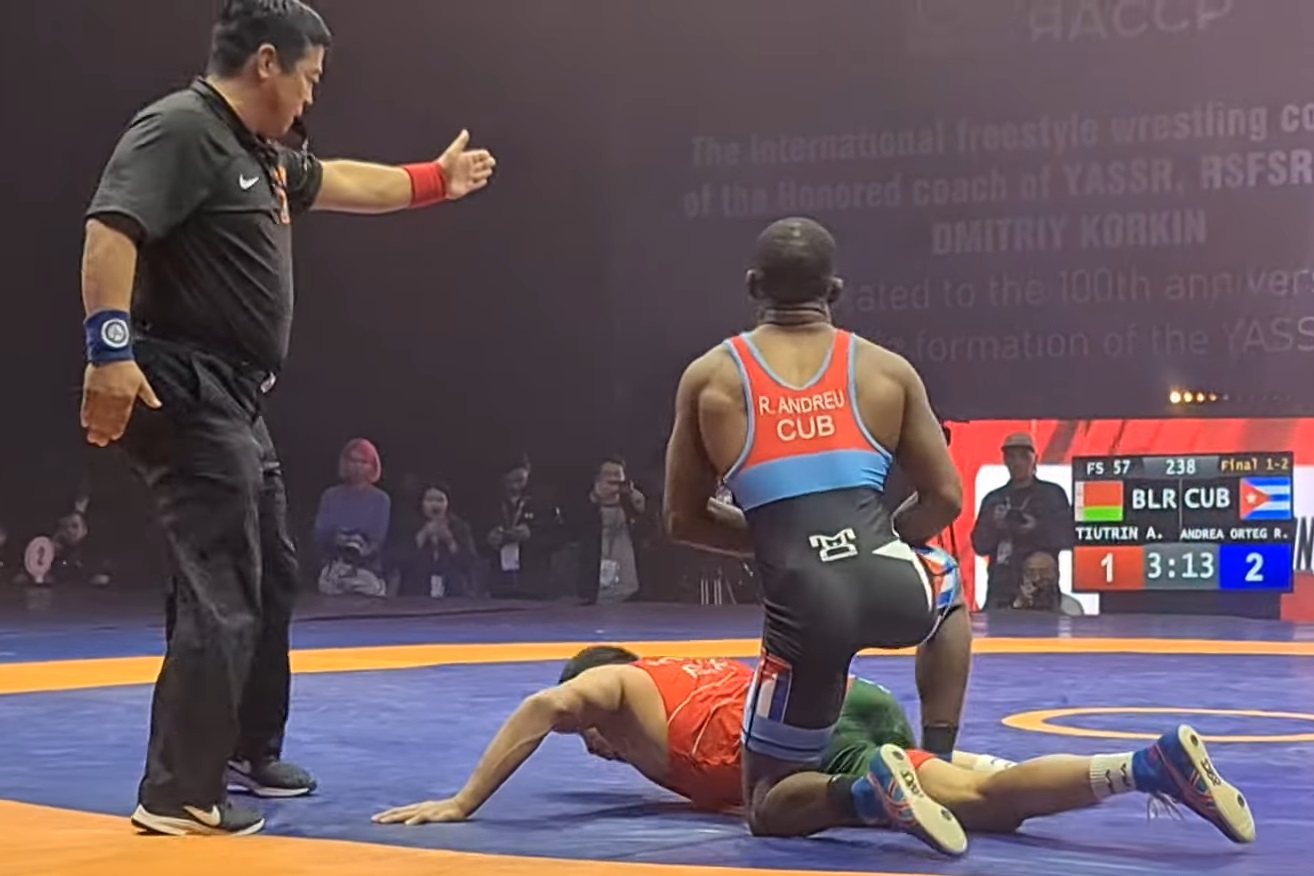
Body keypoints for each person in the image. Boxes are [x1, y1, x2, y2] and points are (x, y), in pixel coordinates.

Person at [79, 0, 495, 837]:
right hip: (181, 382)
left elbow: (345, 180)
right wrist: (108, 352)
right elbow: (112, 229)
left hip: (235, 395)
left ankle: (245, 748)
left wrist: (434, 181)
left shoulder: (258, 155)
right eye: (309, 77)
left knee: (270, 571)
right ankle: (178, 792)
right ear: (266, 62)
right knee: (223, 581)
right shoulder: (180, 128)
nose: (311, 97)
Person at [659, 217, 971, 837]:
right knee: (945, 580)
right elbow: (945, 499)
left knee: (767, 804)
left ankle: (863, 794)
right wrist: (881, 541)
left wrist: (784, 546)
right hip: (892, 585)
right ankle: (935, 759)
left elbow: (682, 518)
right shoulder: (886, 370)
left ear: (753, 286)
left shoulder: (712, 377)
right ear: (835, 290)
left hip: (805, 608)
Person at [373, 647, 1256, 857]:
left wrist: (463, 802)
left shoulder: (619, 684)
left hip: (801, 735)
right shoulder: (683, 678)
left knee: (769, 813)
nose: (595, 752)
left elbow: (545, 703)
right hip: (847, 703)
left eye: (588, 742)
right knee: (987, 805)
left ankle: (867, 795)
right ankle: (1144, 768)